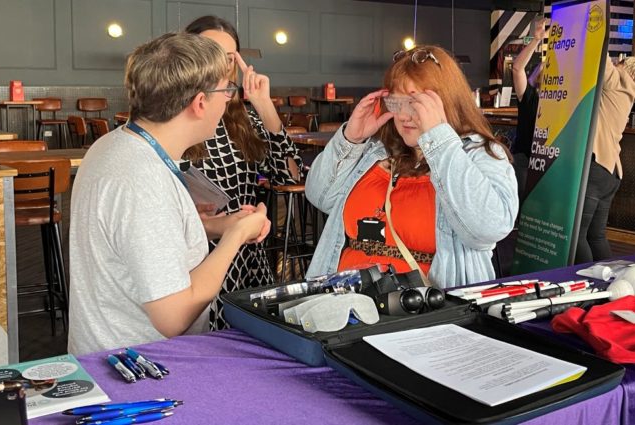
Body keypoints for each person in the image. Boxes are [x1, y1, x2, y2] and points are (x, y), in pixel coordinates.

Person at [67, 33, 270, 356]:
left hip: (108, 356)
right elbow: (172, 315)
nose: (229, 98)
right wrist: (235, 236)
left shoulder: (116, 144)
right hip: (139, 373)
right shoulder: (142, 179)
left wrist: (214, 225)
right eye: (227, 90)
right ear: (200, 103)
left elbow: (131, 240)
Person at [305, 45, 519, 288]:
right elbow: (320, 196)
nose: (404, 116)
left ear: (446, 101)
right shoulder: (375, 151)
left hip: (428, 310)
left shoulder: (478, 155)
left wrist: (438, 140)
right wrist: (351, 140)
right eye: (396, 103)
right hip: (347, 303)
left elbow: (489, 228)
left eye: (415, 103)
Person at [184, 16, 303, 330]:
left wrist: (264, 105)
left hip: (250, 258)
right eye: (209, 51)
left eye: (228, 57)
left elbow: (290, 177)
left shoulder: (244, 119)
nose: (222, 65)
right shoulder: (177, 117)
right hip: (198, 258)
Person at [575, 56, 635, 264]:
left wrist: (594, 22)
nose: (619, 61)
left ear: (631, 71)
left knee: (577, 235)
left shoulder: (617, 82)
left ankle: (591, 285)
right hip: (611, 172)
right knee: (596, 236)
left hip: (597, 167)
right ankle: (609, 284)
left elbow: (600, 53)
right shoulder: (627, 93)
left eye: (624, 60)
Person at [511, 18, 546, 204]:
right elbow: (517, 68)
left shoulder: (560, 100)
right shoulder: (530, 95)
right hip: (524, 158)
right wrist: (536, 40)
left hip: (546, 163)